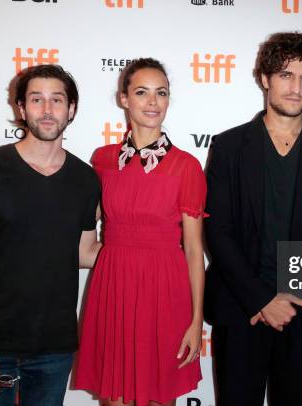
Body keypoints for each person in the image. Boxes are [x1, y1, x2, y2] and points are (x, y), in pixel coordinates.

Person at [204, 32, 302, 406]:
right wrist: (261, 300)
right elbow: (217, 231)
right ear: (265, 78)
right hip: (241, 310)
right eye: (286, 75)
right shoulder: (228, 147)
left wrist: (291, 297)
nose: (296, 87)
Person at [0, 64, 101, 405]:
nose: (47, 110)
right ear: (21, 108)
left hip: (56, 350)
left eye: (57, 100)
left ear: (71, 109)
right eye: (37, 99)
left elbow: (84, 253)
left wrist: (152, 249)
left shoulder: (86, 179)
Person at [75, 58, 205, 406]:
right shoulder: (102, 160)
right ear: (124, 99)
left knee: (160, 397)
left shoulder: (187, 166)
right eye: (142, 92)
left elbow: (194, 250)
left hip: (166, 289)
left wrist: (196, 321)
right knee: (114, 398)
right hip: (114, 286)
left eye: (161, 93)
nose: (152, 102)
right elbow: (86, 229)